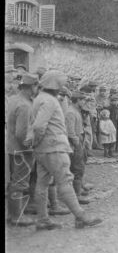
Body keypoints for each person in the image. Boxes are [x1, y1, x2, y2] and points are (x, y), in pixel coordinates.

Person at [30, 70, 102, 230]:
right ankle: (81, 216)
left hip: (43, 149)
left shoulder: (40, 98)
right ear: (55, 85)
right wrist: (39, 141)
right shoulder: (50, 101)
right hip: (54, 147)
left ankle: (43, 219)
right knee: (65, 181)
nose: (63, 87)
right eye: (61, 84)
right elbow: (39, 126)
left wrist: (36, 144)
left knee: (42, 184)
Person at [6, 73, 39, 226]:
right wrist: (31, 146)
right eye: (36, 86)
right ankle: (16, 217)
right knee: (19, 182)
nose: (37, 89)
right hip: (22, 150)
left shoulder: (14, 99)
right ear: (30, 87)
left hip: (13, 148)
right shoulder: (25, 105)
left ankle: (12, 214)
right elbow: (22, 133)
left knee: (15, 181)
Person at [64, 90, 90, 205]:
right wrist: (77, 144)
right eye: (83, 100)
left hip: (79, 141)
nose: (84, 102)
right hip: (74, 145)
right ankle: (76, 196)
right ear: (78, 100)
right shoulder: (70, 112)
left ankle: (77, 191)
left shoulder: (75, 111)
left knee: (79, 168)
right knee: (77, 169)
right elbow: (70, 133)